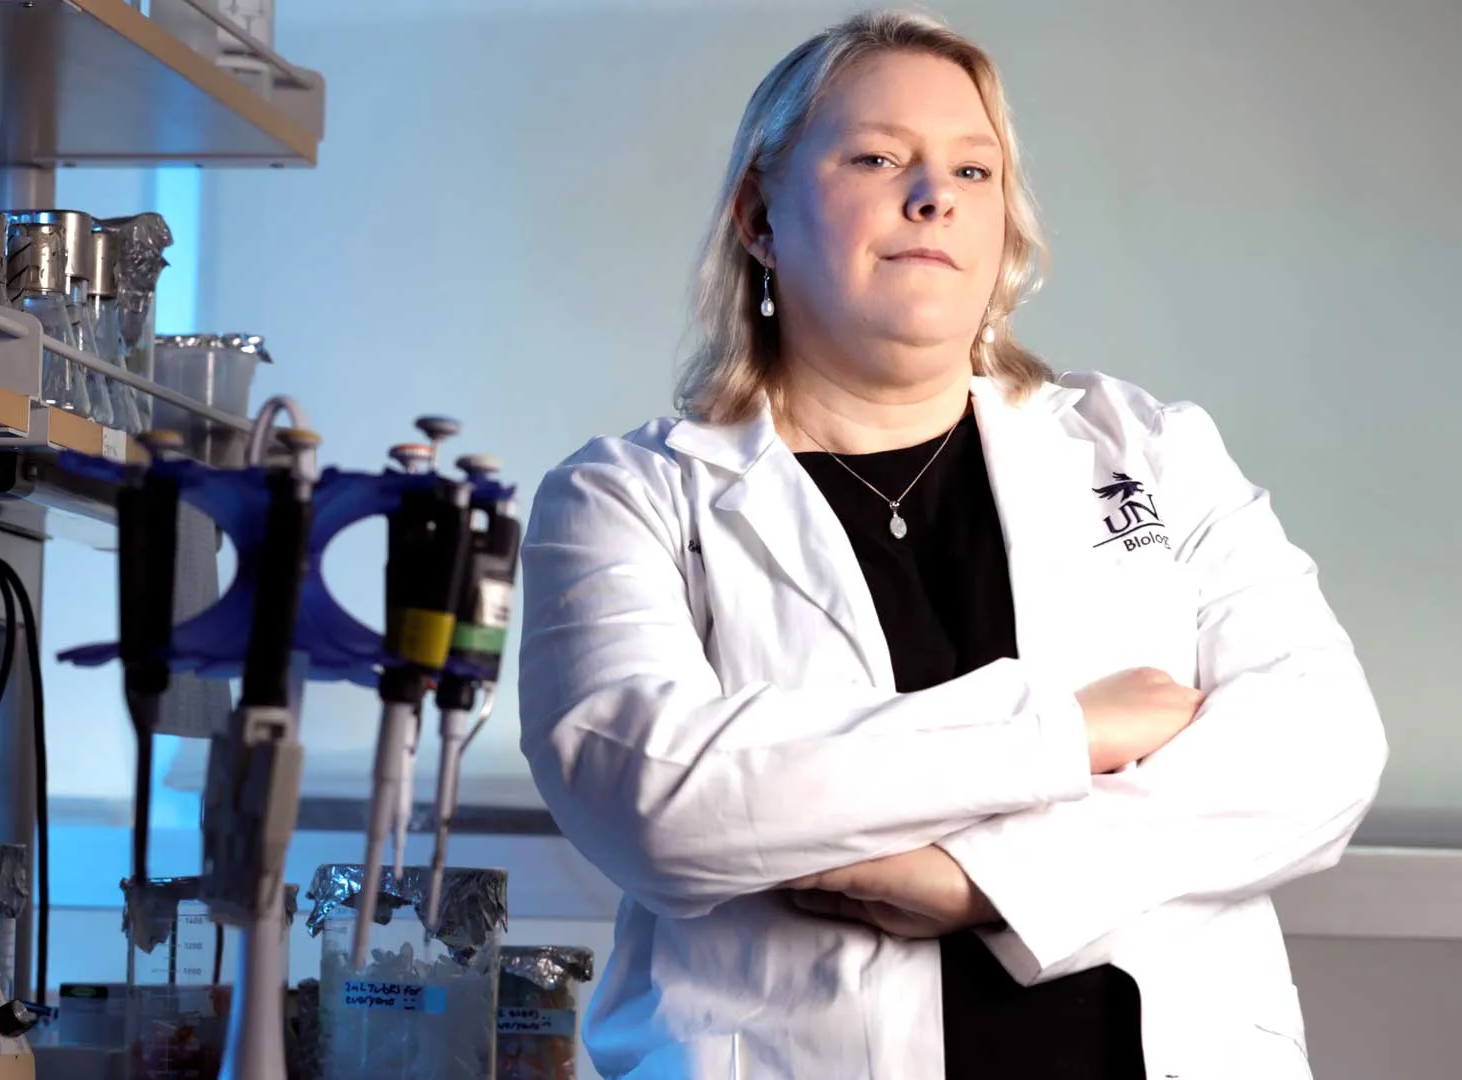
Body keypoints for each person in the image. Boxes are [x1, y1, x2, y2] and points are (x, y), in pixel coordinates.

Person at [516, 10, 1387, 1080]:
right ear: (757, 216)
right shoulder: (628, 497)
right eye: (878, 157)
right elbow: (651, 795)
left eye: (973, 171)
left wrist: (984, 879)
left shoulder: (1152, 451)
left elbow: (1320, 754)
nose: (933, 196)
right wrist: (1068, 731)